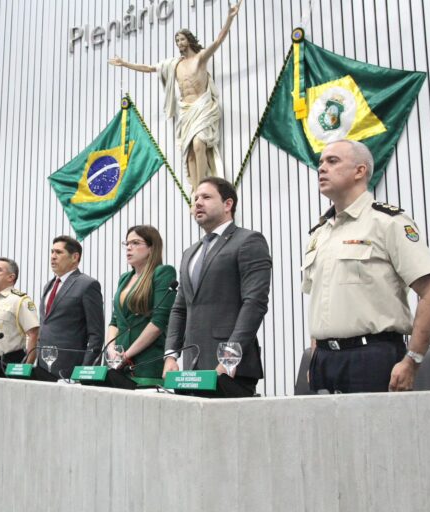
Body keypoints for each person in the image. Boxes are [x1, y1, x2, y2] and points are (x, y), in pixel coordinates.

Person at [303, 139, 430, 393]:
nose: (322, 168)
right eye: (321, 162)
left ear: (360, 171)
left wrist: (412, 361)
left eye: (332, 161)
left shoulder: (388, 222)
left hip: (370, 357)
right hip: (324, 361)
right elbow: (320, 301)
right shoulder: (319, 233)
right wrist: (316, 355)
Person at [108, 0, 243, 189]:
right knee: (190, 153)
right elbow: (148, 68)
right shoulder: (173, 65)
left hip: (202, 107)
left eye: (182, 39)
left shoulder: (200, 58)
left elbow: (219, 39)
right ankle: (196, 192)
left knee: (199, 145)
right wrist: (125, 63)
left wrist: (229, 18)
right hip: (186, 111)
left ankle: (203, 187)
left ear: (189, 40)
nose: (179, 43)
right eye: (177, 40)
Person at [164, 177, 272, 391]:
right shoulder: (190, 253)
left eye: (206, 197)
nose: (197, 203)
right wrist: (170, 355)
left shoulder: (248, 241)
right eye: (195, 198)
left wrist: (230, 357)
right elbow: (180, 309)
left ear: (227, 204)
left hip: (229, 368)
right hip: (191, 368)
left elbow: (254, 303)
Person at [106, 226, 176, 380]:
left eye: (136, 243)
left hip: (146, 362)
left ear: (151, 248)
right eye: (127, 243)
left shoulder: (162, 273)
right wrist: (111, 349)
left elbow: (159, 322)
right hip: (116, 362)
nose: (129, 247)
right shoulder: (124, 278)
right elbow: (114, 321)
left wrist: (127, 355)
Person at [38, 236, 104, 378]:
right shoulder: (48, 286)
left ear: (75, 257)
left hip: (70, 370)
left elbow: (96, 335)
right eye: (52, 252)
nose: (53, 257)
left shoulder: (87, 284)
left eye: (58, 252)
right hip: (43, 367)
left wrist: (85, 371)